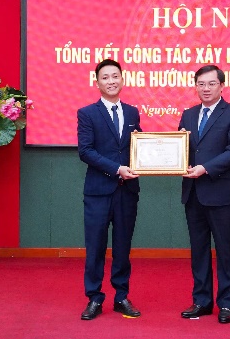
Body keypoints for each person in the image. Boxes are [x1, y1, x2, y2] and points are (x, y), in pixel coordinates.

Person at [178, 64, 230, 324]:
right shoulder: (188, 115)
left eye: (211, 84)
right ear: (195, 87)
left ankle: (227, 303)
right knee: (199, 251)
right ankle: (202, 301)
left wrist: (205, 168)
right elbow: (181, 149)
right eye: (201, 84)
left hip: (222, 194)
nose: (205, 88)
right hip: (193, 194)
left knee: (226, 251)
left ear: (221, 86)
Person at [77, 59, 142, 320]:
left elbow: (139, 146)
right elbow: (86, 151)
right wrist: (117, 169)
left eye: (115, 76)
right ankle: (94, 298)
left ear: (122, 80)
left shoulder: (133, 112)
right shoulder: (87, 113)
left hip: (127, 192)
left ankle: (121, 296)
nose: (111, 81)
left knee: (123, 248)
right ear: (97, 83)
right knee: (95, 247)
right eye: (105, 77)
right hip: (98, 191)